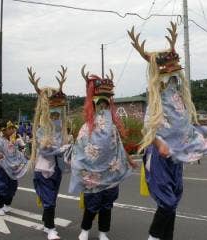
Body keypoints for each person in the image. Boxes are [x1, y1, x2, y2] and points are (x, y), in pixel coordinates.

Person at [128, 22, 207, 240]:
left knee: (174, 199)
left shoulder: (178, 97)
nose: (172, 81)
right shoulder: (157, 98)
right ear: (160, 77)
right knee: (167, 201)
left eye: (174, 77)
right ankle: (153, 238)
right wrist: (160, 144)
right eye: (169, 77)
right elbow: (148, 127)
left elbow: (183, 125)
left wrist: (198, 137)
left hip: (175, 155)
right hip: (160, 156)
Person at [69, 66, 138, 240]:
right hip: (93, 173)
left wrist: (128, 159)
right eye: (100, 103)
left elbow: (119, 147)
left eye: (106, 104)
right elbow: (79, 151)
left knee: (107, 204)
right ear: (94, 104)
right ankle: (84, 230)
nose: (103, 107)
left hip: (110, 171)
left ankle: (103, 232)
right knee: (92, 204)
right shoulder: (86, 128)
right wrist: (80, 166)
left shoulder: (113, 127)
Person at [28, 66, 71, 240]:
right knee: (49, 200)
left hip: (57, 169)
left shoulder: (62, 132)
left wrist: (68, 151)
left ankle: (47, 224)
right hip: (44, 169)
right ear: (47, 113)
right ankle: (51, 229)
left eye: (57, 115)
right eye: (52, 115)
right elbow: (44, 151)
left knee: (52, 198)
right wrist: (58, 150)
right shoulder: (41, 130)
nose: (55, 118)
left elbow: (64, 150)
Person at [0, 121, 29, 215]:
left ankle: (7, 205)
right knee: (2, 186)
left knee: (12, 186)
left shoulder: (13, 140)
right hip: (2, 167)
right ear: (4, 130)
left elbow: (16, 152)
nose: (13, 130)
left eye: (13, 128)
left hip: (12, 167)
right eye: (10, 128)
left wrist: (23, 157)